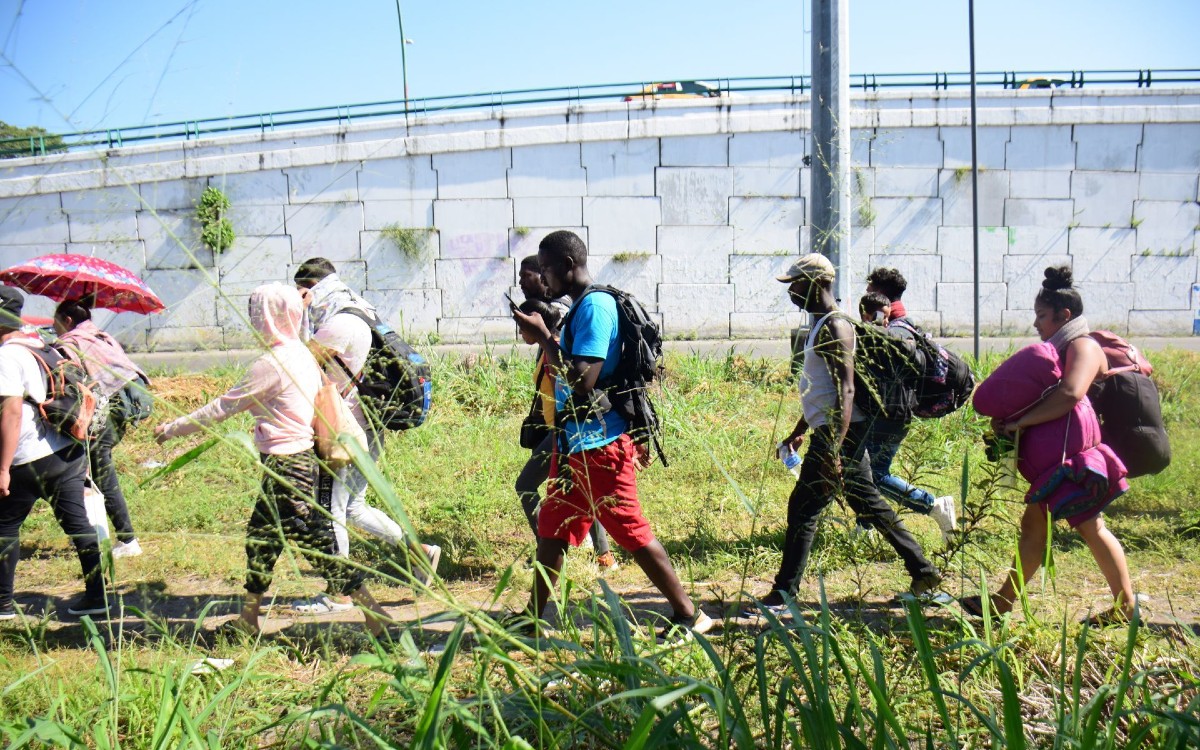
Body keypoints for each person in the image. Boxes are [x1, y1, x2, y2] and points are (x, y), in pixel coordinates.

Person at [155, 283, 391, 636]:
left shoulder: (272, 364)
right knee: (261, 540)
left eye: (256, 312)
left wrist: (172, 428)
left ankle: (375, 614)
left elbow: (222, 408)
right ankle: (249, 621)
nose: (253, 319)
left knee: (318, 546)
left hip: (289, 467)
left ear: (269, 317)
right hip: (294, 464)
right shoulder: (300, 354)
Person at [511, 230, 711, 635]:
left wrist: (546, 338)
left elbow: (583, 380)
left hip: (600, 444)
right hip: (578, 444)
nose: (542, 278)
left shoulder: (595, 308)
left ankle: (690, 616)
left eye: (546, 269)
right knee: (552, 527)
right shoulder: (583, 304)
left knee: (630, 530)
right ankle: (533, 619)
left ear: (568, 265)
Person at [756, 255, 941, 614]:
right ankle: (924, 570)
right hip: (834, 431)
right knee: (868, 501)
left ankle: (783, 594)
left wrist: (833, 450)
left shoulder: (835, 326)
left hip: (841, 434)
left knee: (804, 510)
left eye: (795, 284)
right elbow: (819, 389)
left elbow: (846, 391)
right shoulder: (822, 324)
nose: (792, 292)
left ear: (816, 283)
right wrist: (799, 430)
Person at [965, 266, 1134, 623]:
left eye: (1041, 316)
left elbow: (1070, 393)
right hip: (1060, 461)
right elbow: (1048, 393)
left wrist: (1020, 421)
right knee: (1040, 529)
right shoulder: (1063, 349)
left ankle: (1126, 606)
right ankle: (1001, 602)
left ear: (1065, 315)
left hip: (1074, 461)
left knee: (1090, 527)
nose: (1036, 324)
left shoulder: (1084, 345)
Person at [292, 258, 440, 613]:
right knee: (353, 505)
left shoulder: (337, 324)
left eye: (303, 292)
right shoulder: (359, 309)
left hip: (344, 431)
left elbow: (296, 364)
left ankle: (339, 594)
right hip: (368, 424)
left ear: (311, 290)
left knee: (331, 509)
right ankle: (418, 551)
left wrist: (296, 316)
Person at [0, 286, 108, 619]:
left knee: (4, 527)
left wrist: (3, 467)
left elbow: (12, 412)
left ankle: (2, 603)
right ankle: (97, 596)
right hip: (65, 450)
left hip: (29, 455)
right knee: (79, 526)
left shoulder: (5, 356)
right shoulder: (40, 343)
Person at [514, 259, 616, 571]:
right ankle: (600, 555)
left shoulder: (555, 347)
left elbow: (575, 388)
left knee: (527, 486)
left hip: (568, 432)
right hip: (558, 431)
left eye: (523, 326)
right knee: (585, 493)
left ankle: (550, 553)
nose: (520, 332)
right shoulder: (549, 349)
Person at [859, 268, 957, 542]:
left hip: (889, 413)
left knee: (874, 475)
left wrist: (874, 329)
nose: (865, 296)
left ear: (880, 296)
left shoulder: (898, 330)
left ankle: (933, 505)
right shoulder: (903, 324)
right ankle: (865, 527)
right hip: (886, 411)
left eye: (870, 291)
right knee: (861, 469)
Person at [54, 298, 150, 559]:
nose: (56, 329)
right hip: (129, 405)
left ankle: (128, 540)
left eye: (56, 323)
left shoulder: (70, 342)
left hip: (108, 406)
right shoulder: (101, 334)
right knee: (96, 468)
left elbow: (67, 378)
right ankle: (101, 534)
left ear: (67, 320)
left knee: (101, 473)